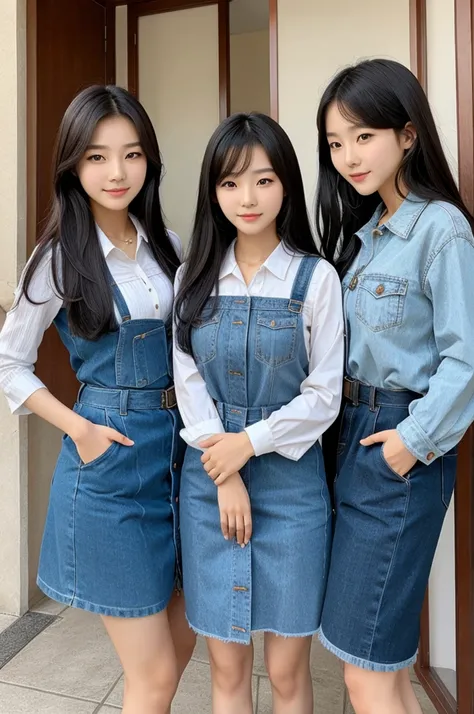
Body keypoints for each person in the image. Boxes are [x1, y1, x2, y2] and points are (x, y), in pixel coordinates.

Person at [0, 85, 195, 714]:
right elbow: (9, 363)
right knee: (156, 675)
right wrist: (78, 429)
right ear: (73, 166)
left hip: (181, 459)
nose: (117, 172)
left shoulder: (168, 243)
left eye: (132, 154)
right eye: (96, 157)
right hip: (110, 464)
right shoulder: (58, 257)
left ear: (150, 162)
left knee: (182, 643)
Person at [315, 58, 474, 714]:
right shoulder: (369, 235)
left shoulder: (440, 229)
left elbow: (466, 361)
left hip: (397, 444)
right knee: (377, 664)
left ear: (408, 135)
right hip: (353, 437)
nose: (348, 156)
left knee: (366, 671)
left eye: (363, 136)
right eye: (334, 143)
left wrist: (411, 442)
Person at [173, 112, 344, 714]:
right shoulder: (191, 278)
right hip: (211, 484)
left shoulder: (316, 278)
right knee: (225, 667)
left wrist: (247, 446)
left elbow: (325, 396)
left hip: (293, 487)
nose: (247, 198)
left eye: (264, 180)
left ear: (287, 186)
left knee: (289, 672)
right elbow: (187, 381)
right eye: (229, 183)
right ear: (212, 192)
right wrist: (226, 471)